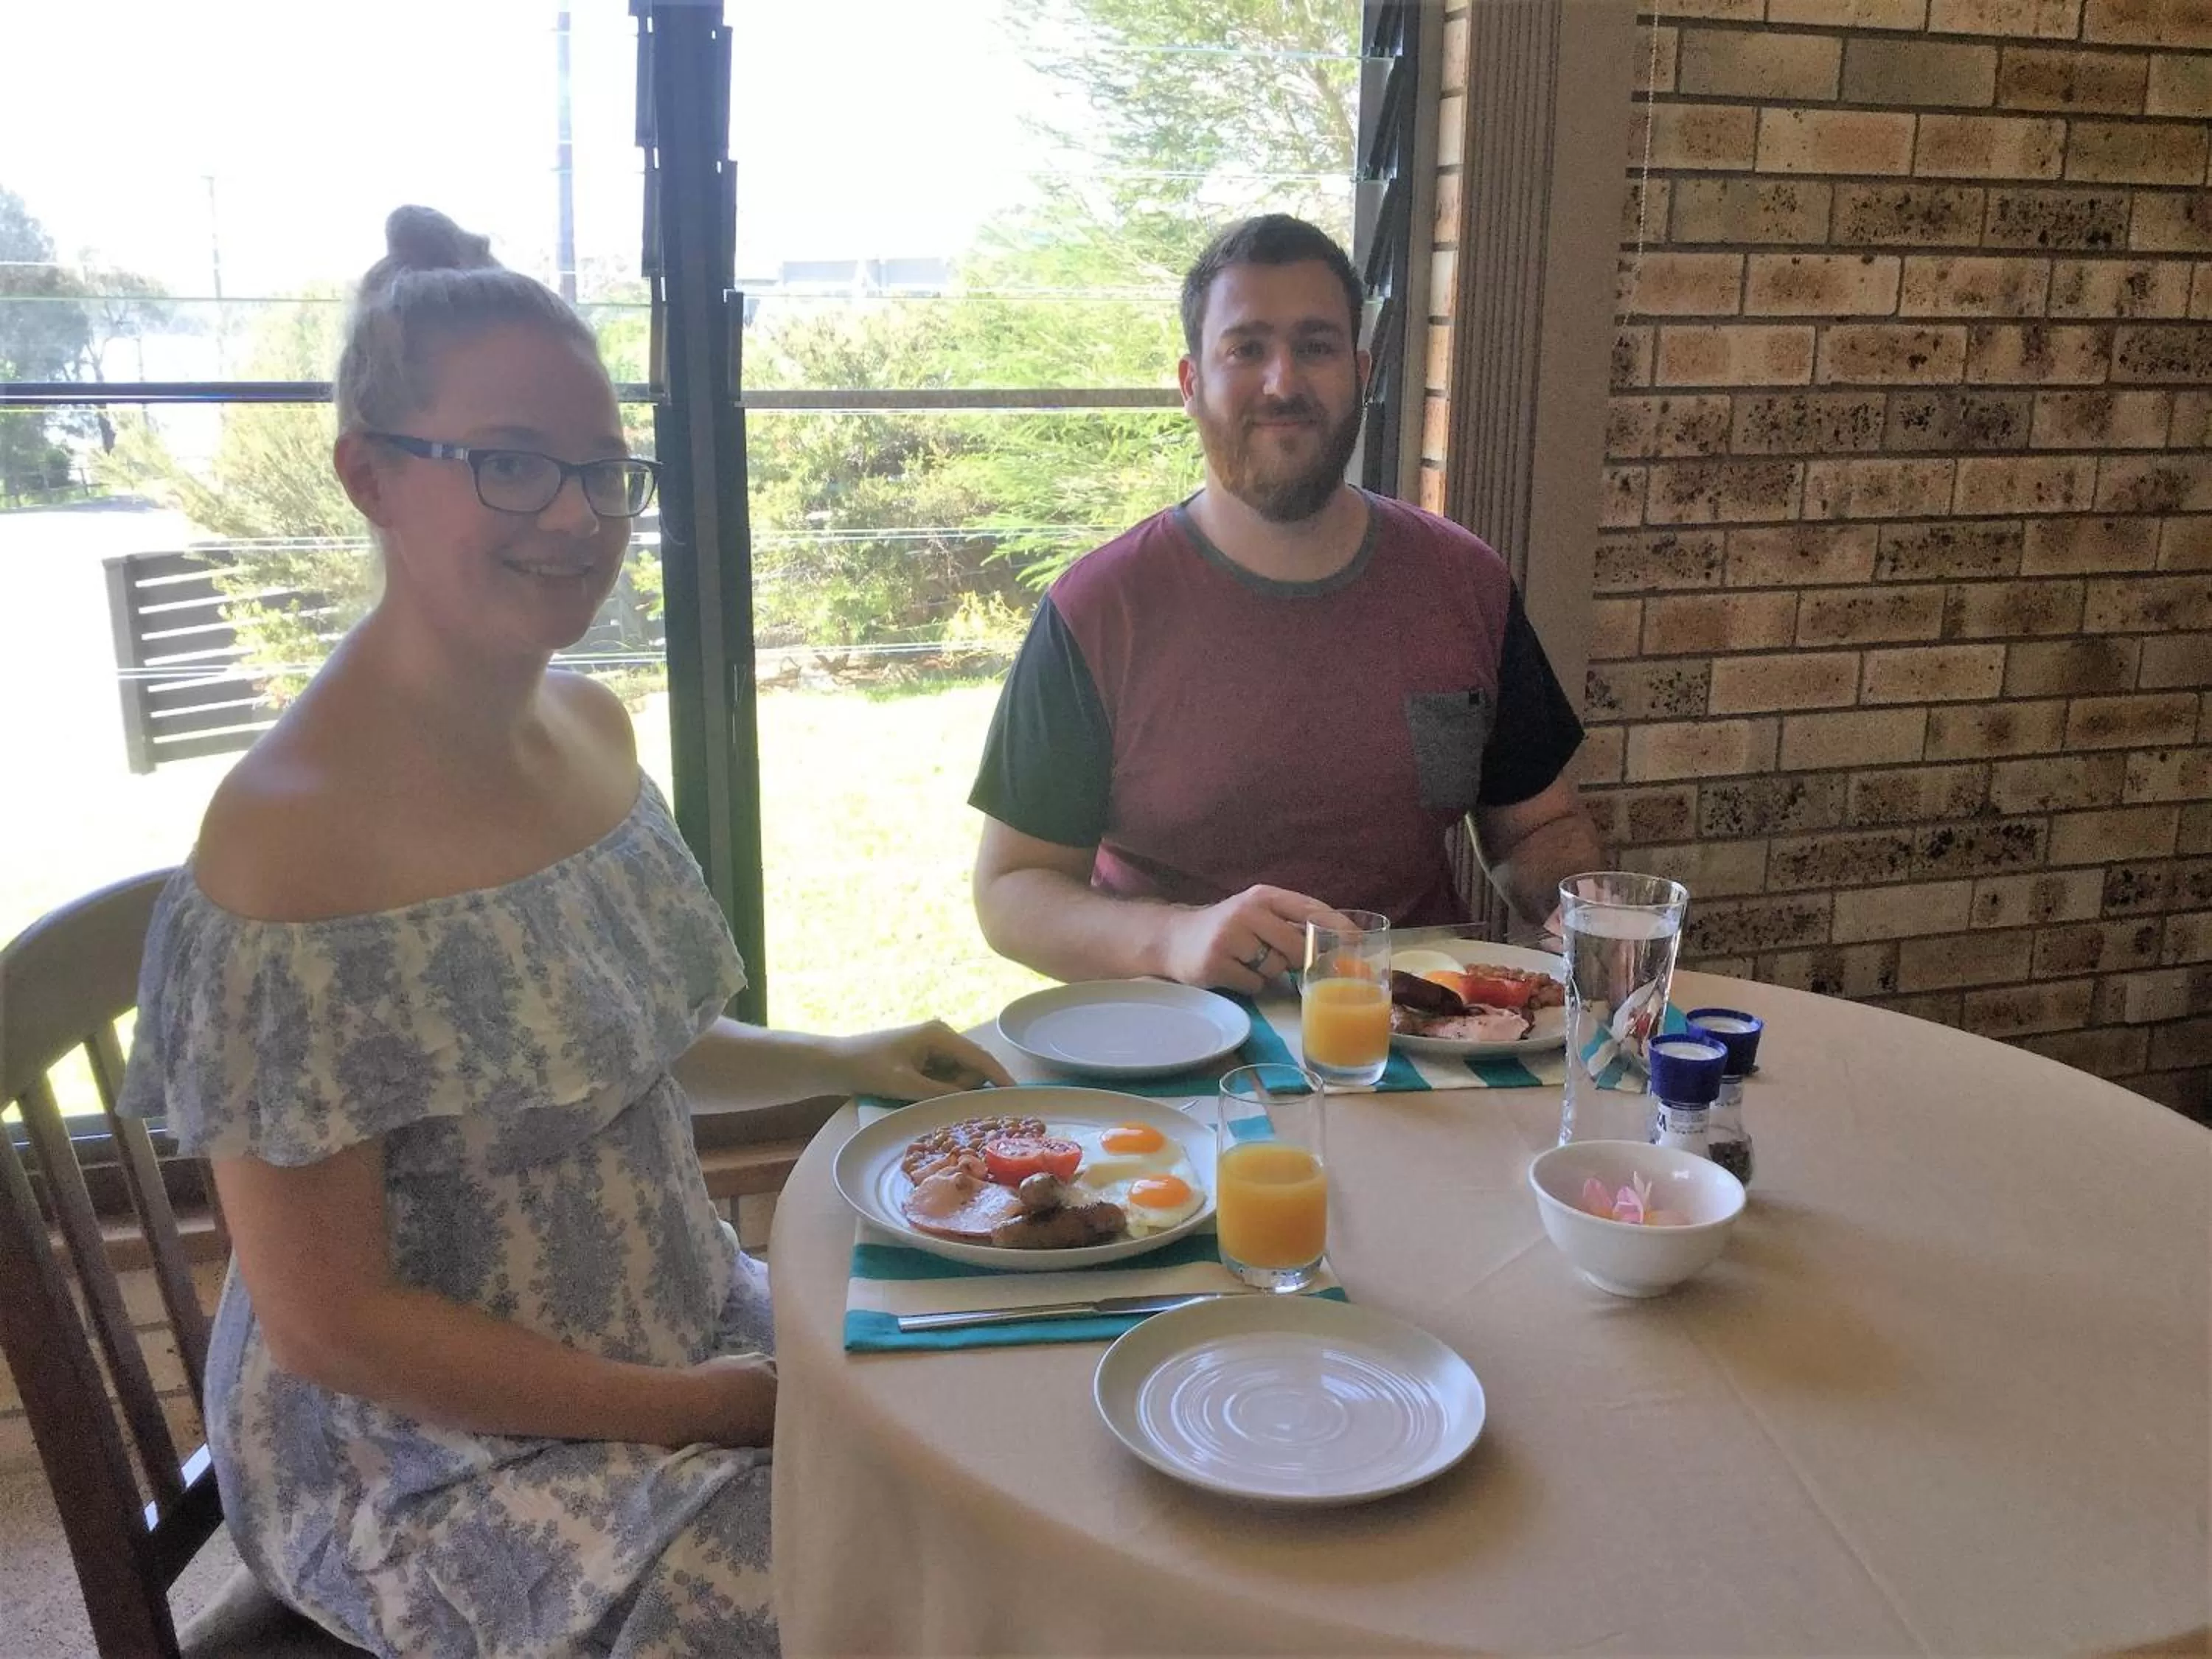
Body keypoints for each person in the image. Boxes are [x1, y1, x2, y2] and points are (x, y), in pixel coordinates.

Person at [118, 206, 1009, 1658]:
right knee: (894, 1591)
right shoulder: (288, 845)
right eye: (513, 465)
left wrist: (846, 1056)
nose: (579, 516)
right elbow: (337, 1325)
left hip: (671, 1312)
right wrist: (708, 1410)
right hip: (421, 1454)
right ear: (369, 477)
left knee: (985, 1425)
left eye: (602, 472)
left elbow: (608, 1043)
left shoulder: (585, 728)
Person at [969, 213, 1604, 994]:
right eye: (1246, 348)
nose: (1284, 382)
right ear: (1191, 383)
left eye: (1316, 346)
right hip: (1175, 1053)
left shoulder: (1464, 583)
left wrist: (1573, 906)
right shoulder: (1097, 609)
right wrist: (1175, 936)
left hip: (1420, 1041)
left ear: (1362, 372)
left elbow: (1536, 827)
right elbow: (1010, 893)